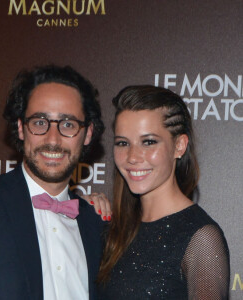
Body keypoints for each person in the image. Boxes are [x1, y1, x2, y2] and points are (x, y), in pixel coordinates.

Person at [0, 65, 108, 300]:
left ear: (88, 133)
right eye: (40, 122)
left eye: (68, 124)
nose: (53, 139)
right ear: (21, 128)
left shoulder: (96, 224)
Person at [97, 85, 230, 299]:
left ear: (179, 145)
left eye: (148, 142)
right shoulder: (113, 229)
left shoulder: (200, 238)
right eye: (123, 143)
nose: (132, 156)